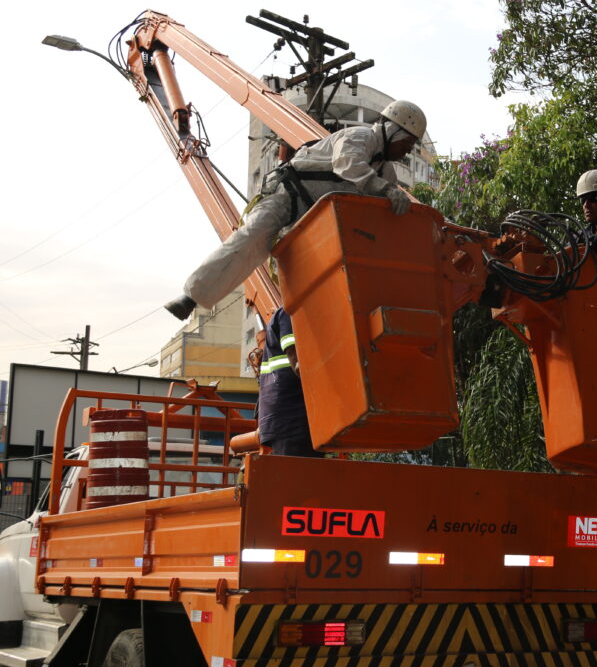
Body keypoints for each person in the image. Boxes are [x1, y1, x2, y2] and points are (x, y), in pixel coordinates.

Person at [164, 100, 428, 320]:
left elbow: (381, 209)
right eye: (407, 143)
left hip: (313, 221)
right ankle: (191, 296)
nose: (406, 151)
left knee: (315, 277)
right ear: (393, 130)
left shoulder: (385, 171)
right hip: (287, 196)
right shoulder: (361, 137)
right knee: (252, 238)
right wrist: (387, 191)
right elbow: (347, 164)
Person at [257, 307, 319, 457]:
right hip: (290, 415)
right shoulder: (290, 311)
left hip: (291, 414)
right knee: (297, 468)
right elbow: (295, 357)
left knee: (303, 468)